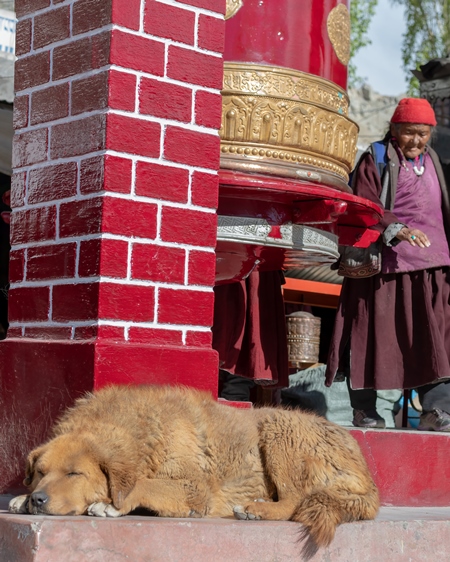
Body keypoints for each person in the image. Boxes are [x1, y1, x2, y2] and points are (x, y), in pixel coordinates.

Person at [325, 97, 450, 432]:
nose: (417, 141)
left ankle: (436, 411)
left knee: (434, 339)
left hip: (432, 268)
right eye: (409, 133)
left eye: (423, 134)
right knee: (369, 336)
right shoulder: (375, 157)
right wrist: (401, 230)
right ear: (395, 130)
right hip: (386, 267)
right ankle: (364, 410)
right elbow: (365, 204)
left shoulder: (433, 159)